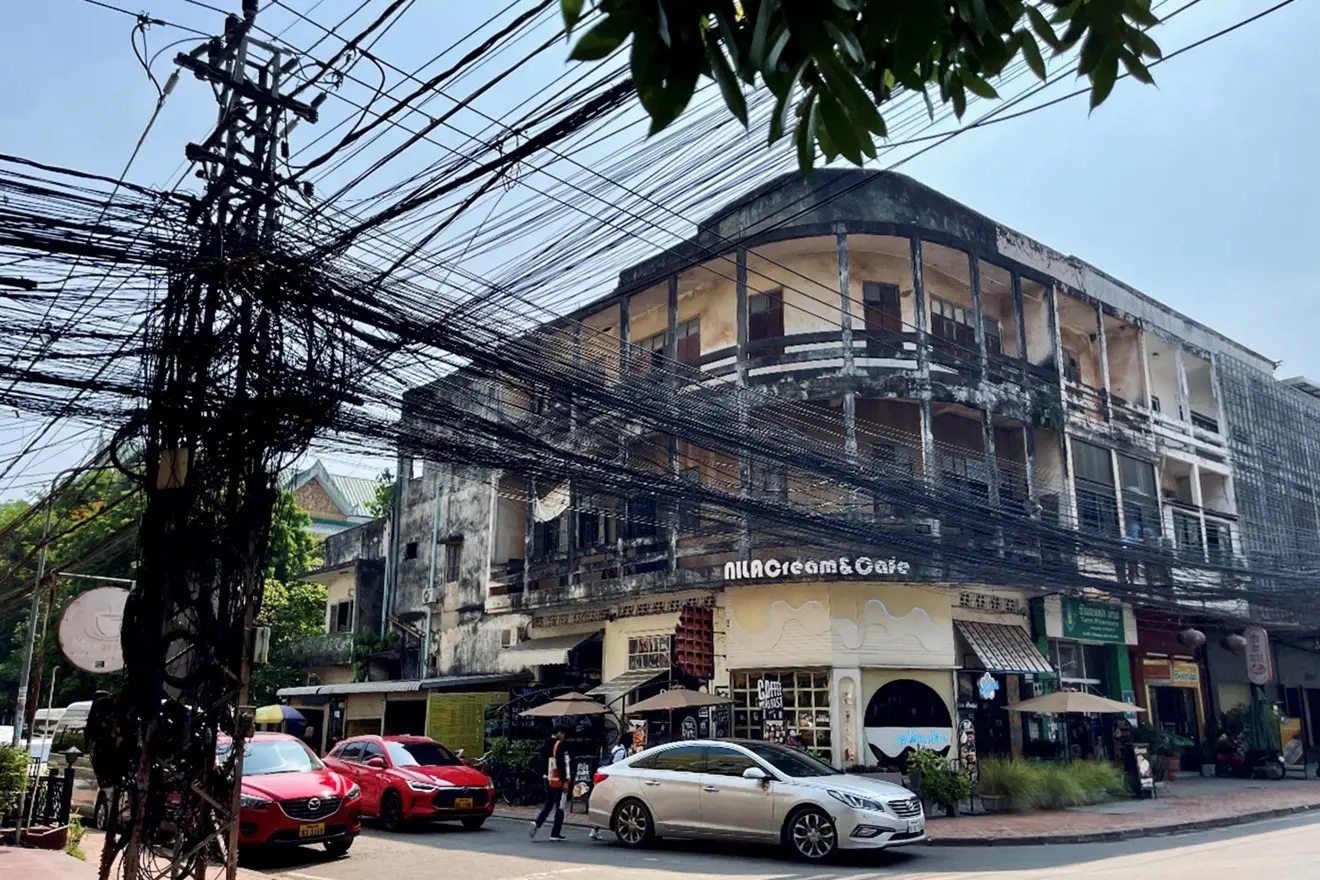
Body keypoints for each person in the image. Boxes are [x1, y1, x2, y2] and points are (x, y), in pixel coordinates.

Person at [529, 725, 570, 841]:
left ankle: (537, 823)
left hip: (547, 777)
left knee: (548, 804)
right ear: (559, 733)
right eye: (563, 734)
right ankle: (555, 833)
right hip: (558, 779)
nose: (564, 737)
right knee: (560, 806)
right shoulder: (559, 745)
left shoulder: (546, 743)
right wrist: (565, 781)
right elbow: (561, 764)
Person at [588, 733, 632, 841]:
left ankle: (595, 829)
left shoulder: (616, 748)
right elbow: (616, 766)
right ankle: (595, 829)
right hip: (613, 781)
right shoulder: (621, 751)